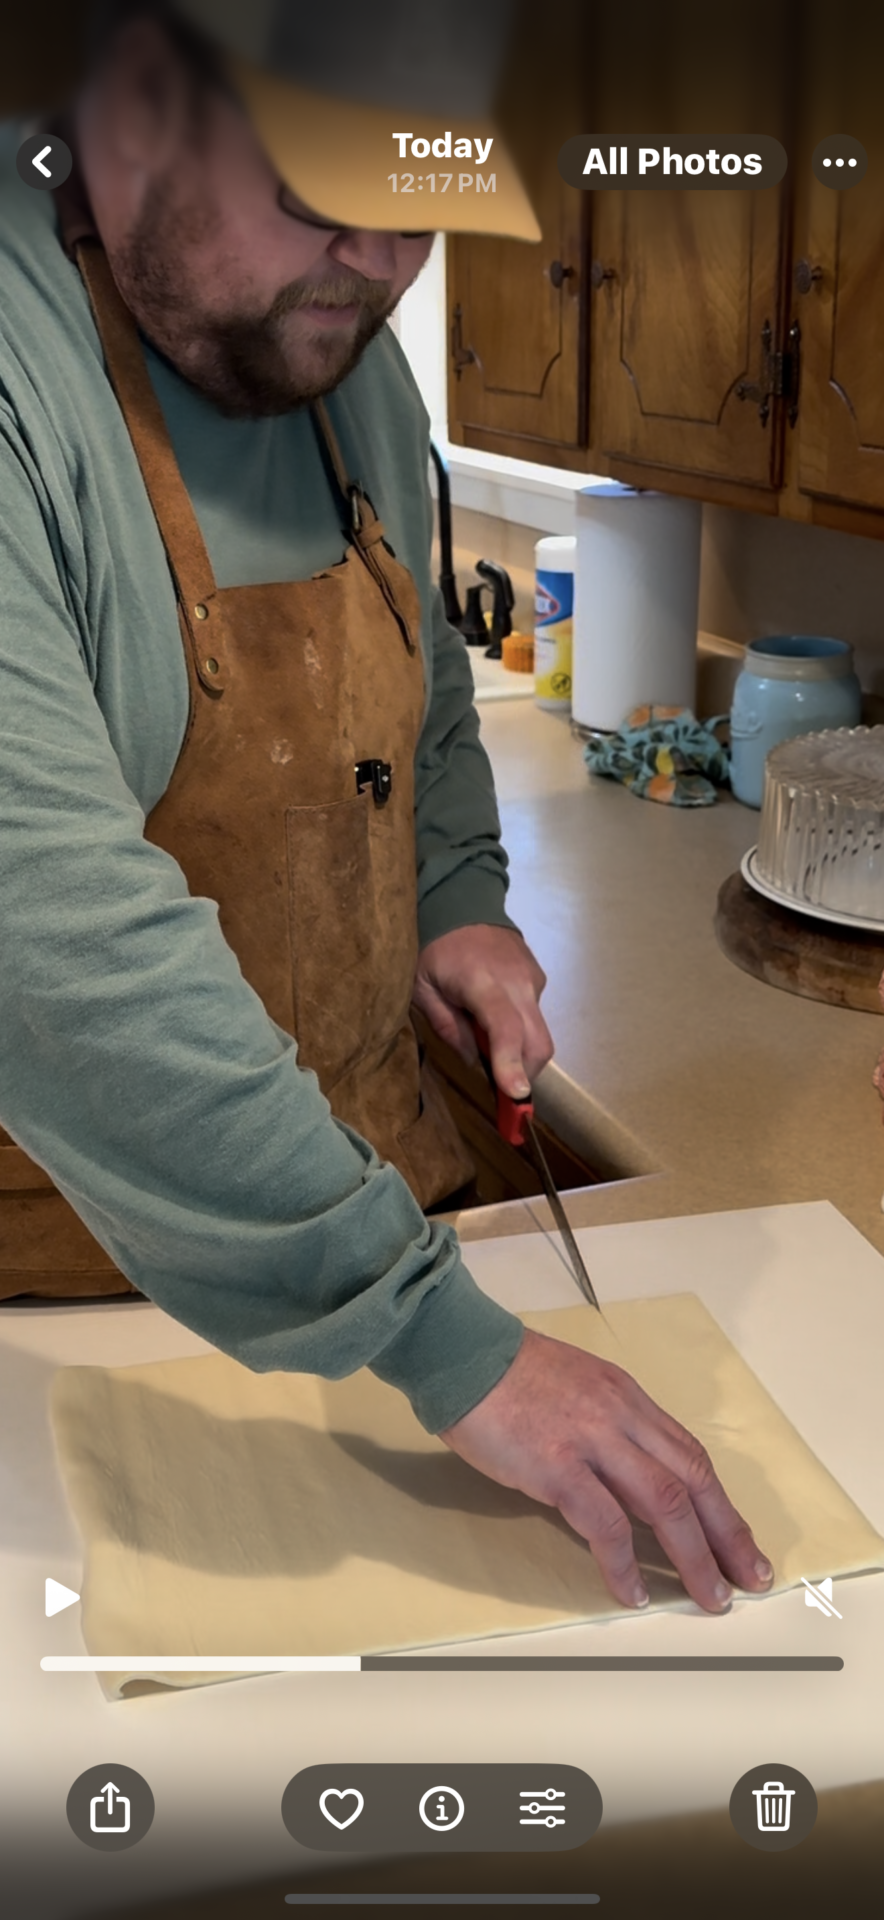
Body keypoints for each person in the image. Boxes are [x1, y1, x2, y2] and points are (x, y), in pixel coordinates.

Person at [0, 0, 774, 1615]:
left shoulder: (347, 367)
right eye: (315, 196)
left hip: (366, 1223)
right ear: (133, 96)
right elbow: (44, 932)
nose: (373, 261)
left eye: (420, 209)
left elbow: (417, 691)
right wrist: (444, 1342)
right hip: (60, 1283)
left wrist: (459, 891)